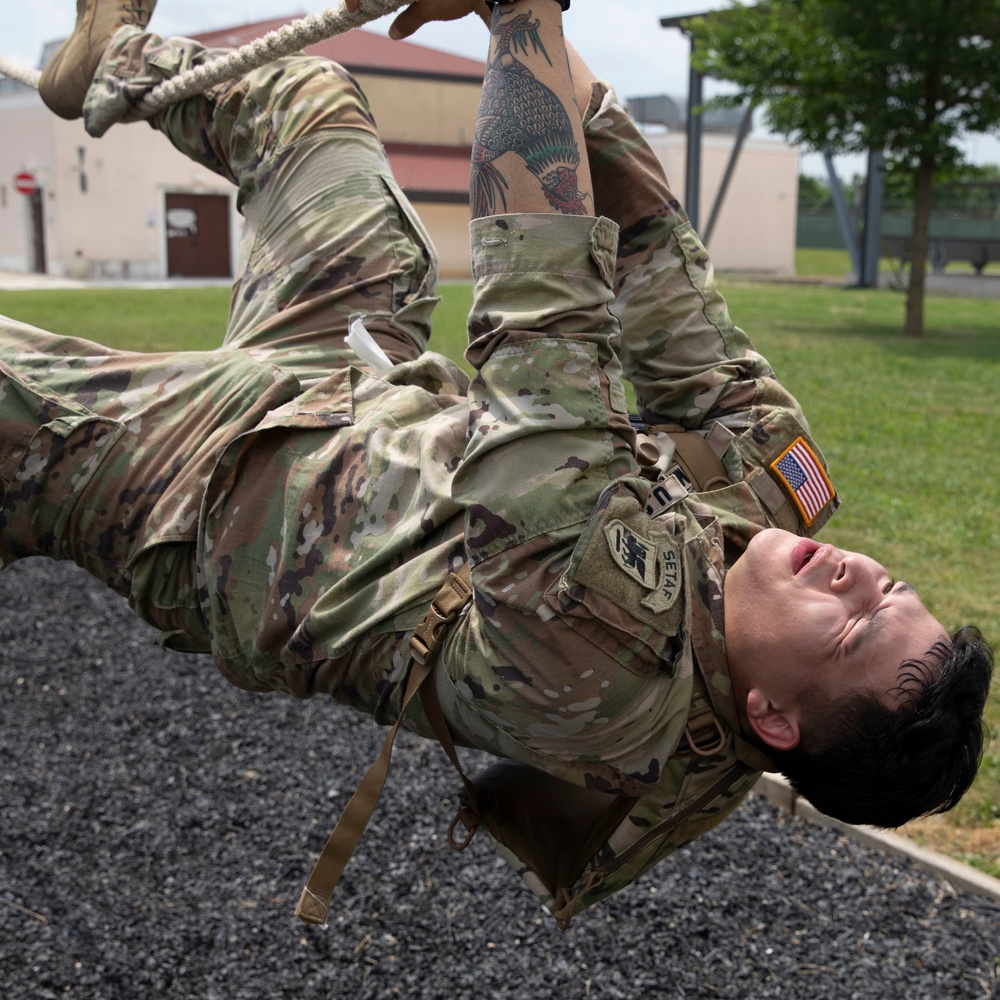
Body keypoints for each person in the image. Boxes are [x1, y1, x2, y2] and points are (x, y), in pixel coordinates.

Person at [4, 0, 992, 929]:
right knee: (306, 103)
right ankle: (113, 60)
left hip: (215, 496)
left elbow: (539, 302)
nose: (854, 571)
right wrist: (516, 23)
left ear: (770, 717)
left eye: (850, 624)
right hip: (346, 392)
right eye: (887, 584)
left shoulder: (609, 653)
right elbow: (657, 266)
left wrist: (524, 11)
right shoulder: (772, 498)